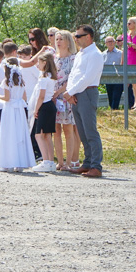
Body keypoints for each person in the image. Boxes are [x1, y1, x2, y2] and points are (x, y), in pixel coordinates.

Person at [63, 25, 104, 178]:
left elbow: (87, 78)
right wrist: (71, 92)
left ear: (88, 36)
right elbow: (74, 74)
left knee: (90, 130)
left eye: (79, 36)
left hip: (87, 92)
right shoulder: (81, 53)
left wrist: (70, 92)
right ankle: (87, 163)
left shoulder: (95, 54)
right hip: (77, 93)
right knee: (82, 131)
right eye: (76, 36)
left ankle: (96, 166)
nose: (76, 39)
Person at [0, 58, 35, 172]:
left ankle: (8, 163)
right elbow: (24, 97)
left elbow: (7, 98)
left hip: (10, 110)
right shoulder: (21, 81)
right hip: (19, 110)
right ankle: (20, 163)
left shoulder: (7, 82)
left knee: (9, 134)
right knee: (19, 134)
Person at [53, 30, 79, 171]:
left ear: (68, 41)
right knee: (56, 131)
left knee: (68, 129)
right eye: (57, 39)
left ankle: (69, 162)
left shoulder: (73, 58)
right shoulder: (54, 58)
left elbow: (72, 79)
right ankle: (60, 161)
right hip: (54, 98)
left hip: (66, 97)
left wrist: (59, 92)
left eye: (61, 39)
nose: (58, 41)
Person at [30, 53, 59, 172]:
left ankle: (46, 161)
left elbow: (41, 96)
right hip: (50, 106)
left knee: (38, 134)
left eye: (40, 62)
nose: (38, 64)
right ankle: (50, 161)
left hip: (44, 106)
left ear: (45, 63)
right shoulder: (51, 76)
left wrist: (36, 109)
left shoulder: (43, 78)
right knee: (47, 135)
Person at [102, 35, 123, 110]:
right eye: (108, 42)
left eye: (112, 41)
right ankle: (112, 112)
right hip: (108, 79)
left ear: (114, 43)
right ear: (106, 44)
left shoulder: (120, 53)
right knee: (110, 97)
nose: (110, 43)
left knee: (116, 97)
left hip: (118, 79)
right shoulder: (103, 54)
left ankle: (115, 111)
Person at [127, 17, 136, 110]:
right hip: (129, 59)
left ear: (135, 24)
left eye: (129, 23)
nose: (128, 25)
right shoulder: (127, 36)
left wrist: (135, 46)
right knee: (133, 83)